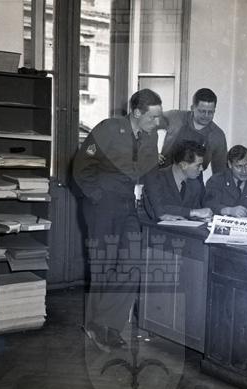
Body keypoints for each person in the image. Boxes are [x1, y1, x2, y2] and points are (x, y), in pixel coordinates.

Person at [72, 88, 164, 351]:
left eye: (158, 117)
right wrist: (97, 196)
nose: (157, 122)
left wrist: (161, 212)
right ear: (136, 113)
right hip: (102, 204)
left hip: (127, 204)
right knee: (103, 264)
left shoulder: (151, 136)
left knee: (132, 264)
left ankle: (109, 324)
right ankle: (95, 326)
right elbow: (81, 166)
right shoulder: (108, 129)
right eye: (153, 117)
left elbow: (151, 176)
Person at [143, 138, 214, 221]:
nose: (201, 169)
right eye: (198, 165)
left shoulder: (195, 185)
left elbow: (196, 215)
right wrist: (192, 212)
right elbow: (157, 209)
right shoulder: (155, 179)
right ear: (183, 165)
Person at [160, 88, 228, 175]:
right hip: (163, 176)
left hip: (193, 180)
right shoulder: (175, 117)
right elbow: (146, 121)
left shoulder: (217, 136)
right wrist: (150, 153)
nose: (206, 116)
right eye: (202, 111)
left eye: (210, 112)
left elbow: (220, 172)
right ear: (193, 108)